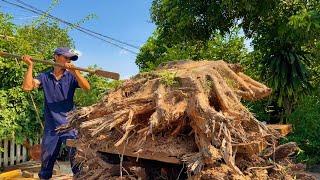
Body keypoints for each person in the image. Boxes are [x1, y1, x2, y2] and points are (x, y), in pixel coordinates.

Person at [22, 47, 90, 179]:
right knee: (46, 161)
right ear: (56, 57)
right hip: (51, 127)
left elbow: (87, 88)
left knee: (76, 160)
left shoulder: (71, 76)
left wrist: (75, 72)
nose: (68, 60)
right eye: (66, 57)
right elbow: (27, 87)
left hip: (69, 125)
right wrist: (30, 66)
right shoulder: (44, 77)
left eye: (70, 58)